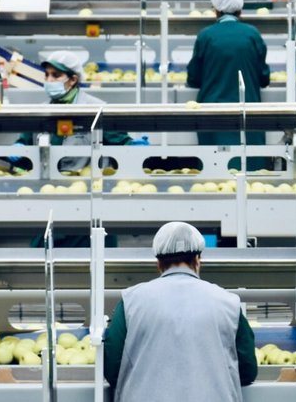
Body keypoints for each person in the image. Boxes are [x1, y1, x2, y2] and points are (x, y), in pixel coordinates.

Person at [104, 222, 258, 401]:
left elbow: (111, 367)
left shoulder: (131, 301)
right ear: (198, 260)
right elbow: (247, 370)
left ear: (158, 263)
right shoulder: (228, 303)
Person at [22, 51, 132, 248]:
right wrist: (17, 151)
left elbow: (121, 142)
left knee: (92, 265)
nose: (49, 80)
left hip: (88, 206)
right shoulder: (41, 111)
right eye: (47, 75)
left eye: (56, 75)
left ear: (73, 79)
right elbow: (24, 144)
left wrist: (136, 148)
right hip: (51, 202)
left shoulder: (95, 109)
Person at [188, 0, 271, 169]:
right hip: (247, 109)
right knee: (250, 167)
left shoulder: (206, 35)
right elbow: (264, 77)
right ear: (240, 10)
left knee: (216, 168)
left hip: (213, 111)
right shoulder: (252, 34)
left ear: (216, 10)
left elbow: (193, 77)